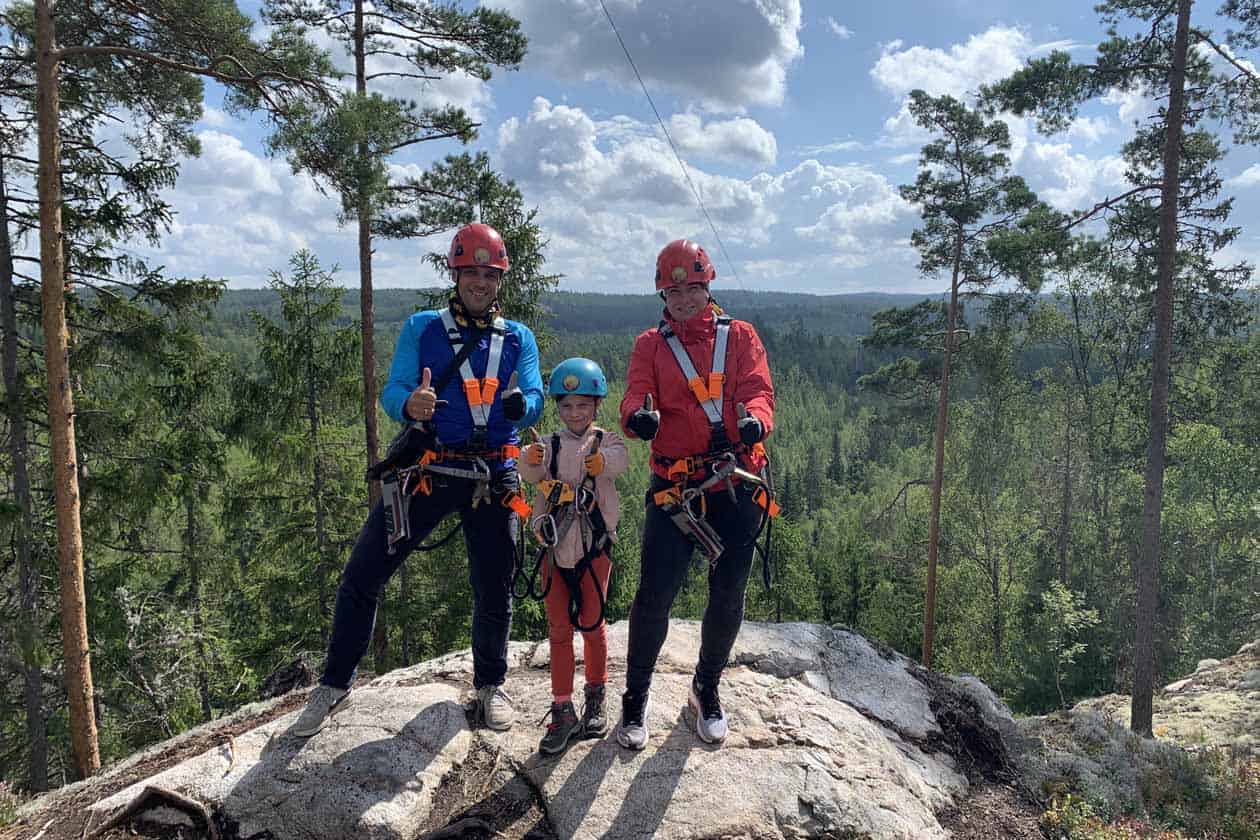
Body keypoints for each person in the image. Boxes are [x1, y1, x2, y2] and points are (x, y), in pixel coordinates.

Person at [292, 222, 543, 737]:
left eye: (489, 274)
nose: (479, 282)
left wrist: (523, 405)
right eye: (471, 272)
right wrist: (409, 403)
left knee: (494, 587)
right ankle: (333, 685)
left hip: (494, 473)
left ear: (500, 279)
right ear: (455, 274)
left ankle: (491, 686)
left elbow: (536, 394)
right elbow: (393, 391)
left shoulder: (519, 338)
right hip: (430, 468)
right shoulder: (422, 328)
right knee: (363, 574)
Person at [617, 238, 775, 749]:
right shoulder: (651, 345)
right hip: (676, 489)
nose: (683, 297)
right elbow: (636, 392)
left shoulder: (741, 335)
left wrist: (756, 421)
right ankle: (635, 698)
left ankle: (706, 688)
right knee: (655, 595)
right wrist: (638, 419)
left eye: (692, 287)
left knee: (728, 593)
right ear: (662, 294)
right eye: (673, 290)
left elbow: (758, 388)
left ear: (708, 285)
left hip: (735, 481)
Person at [518, 358, 627, 755]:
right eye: (567, 406)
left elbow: (621, 460)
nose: (575, 413)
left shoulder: (606, 441)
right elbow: (530, 475)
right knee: (559, 628)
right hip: (554, 547)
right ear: (558, 408)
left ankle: (595, 694)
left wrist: (603, 464)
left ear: (596, 406)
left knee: (592, 623)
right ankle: (562, 706)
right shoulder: (549, 445)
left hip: (593, 545)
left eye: (582, 405)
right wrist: (529, 460)